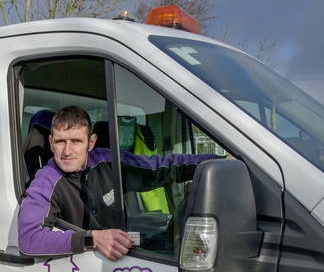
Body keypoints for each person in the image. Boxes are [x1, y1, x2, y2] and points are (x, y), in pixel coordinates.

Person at [18, 106, 217, 260]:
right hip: (86, 264)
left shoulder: (107, 161)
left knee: (166, 243)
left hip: (122, 246)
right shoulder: (46, 182)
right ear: (51, 142)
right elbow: (29, 240)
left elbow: (160, 167)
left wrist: (217, 162)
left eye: (76, 141)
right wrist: (93, 239)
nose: (67, 151)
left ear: (91, 142)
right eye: (60, 142)